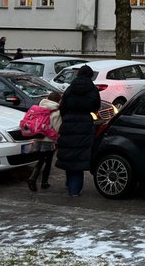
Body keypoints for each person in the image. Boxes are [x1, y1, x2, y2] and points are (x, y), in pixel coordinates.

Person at [56, 65, 100, 196]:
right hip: (84, 124)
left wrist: (66, 118)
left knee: (69, 155)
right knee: (79, 157)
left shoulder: (70, 88)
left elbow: (62, 107)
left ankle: (70, 185)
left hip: (69, 123)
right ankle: (75, 190)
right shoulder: (92, 89)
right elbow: (95, 107)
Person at [27, 91, 62, 192]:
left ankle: (33, 178)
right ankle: (43, 182)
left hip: (38, 137)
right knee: (48, 161)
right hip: (49, 140)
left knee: (40, 159)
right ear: (58, 100)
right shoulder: (56, 112)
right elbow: (57, 128)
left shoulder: (39, 108)